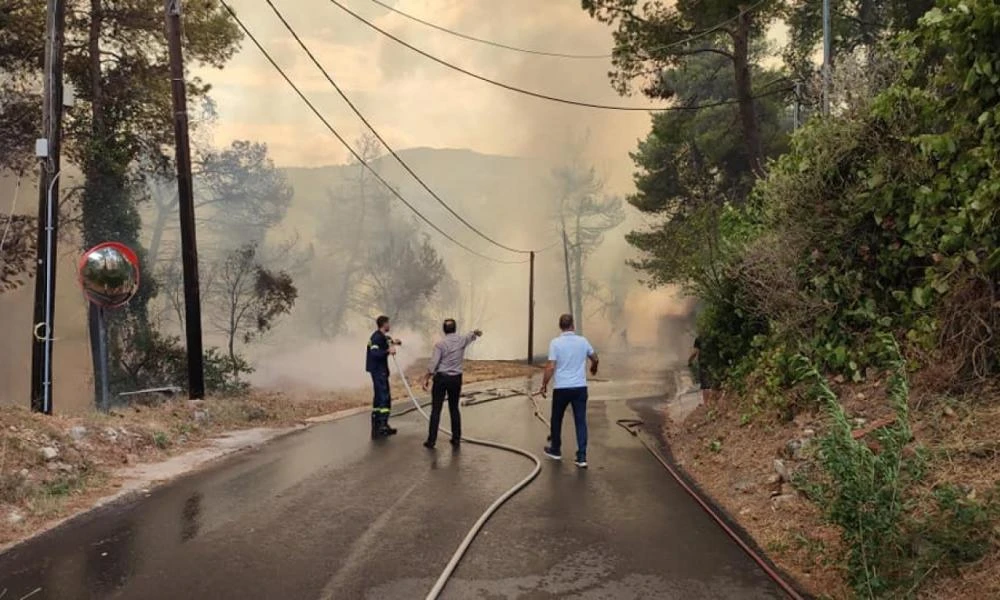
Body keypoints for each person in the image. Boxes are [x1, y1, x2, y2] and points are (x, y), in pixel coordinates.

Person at [537, 313, 598, 468]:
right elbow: (595, 357)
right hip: (579, 388)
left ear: (560, 326)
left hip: (561, 388)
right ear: (572, 325)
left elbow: (551, 366)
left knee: (556, 419)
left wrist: (544, 384)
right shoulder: (582, 341)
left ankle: (556, 450)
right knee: (580, 421)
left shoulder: (555, 343)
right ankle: (582, 457)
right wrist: (593, 367)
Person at [421, 319, 482, 449]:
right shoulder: (461, 340)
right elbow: (471, 335)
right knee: (454, 408)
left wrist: (426, 378)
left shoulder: (440, 345)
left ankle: (431, 441)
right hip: (456, 379)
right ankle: (456, 438)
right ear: (455, 328)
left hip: (441, 379)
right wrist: (476, 333)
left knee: (436, 410)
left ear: (444, 330)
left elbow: (433, 364)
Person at [366, 315, 401, 439]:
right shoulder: (376, 338)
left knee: (378, 396)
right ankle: (382, 425)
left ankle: (377, 423)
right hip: (378, 371)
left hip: (379, 370)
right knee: (384, 396)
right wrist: (388, 351)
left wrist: (394, 342)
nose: (389, 326)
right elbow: (375, 352)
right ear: (384, 324)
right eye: (388, 323)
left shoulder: (381, 337)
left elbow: (386, 341)